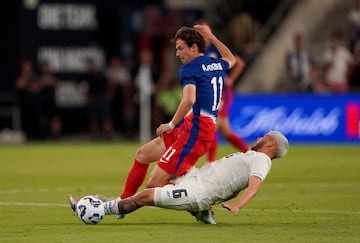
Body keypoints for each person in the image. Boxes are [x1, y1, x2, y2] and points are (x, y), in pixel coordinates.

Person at [117, 24, 236, 206]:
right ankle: (122, 202)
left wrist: (170, 124)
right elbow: (230, 58)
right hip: (195, 127)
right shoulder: (216, 64)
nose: (177, 54)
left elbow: (189, 99)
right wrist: (211, 37)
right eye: (176, 49)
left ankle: (199, 202)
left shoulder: (189, 69)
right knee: (143, 154)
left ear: (194, 48)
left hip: (195, 131)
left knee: (153, 184)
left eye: (181, 48)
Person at [69, 131, 289, 224]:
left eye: (264, 137)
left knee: (146, 195)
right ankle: (202, 214)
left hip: (197, 191)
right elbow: (235, 184)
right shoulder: (253, 156)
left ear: (270, 144)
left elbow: (254, 186)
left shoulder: (262, 160)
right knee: (158, 173)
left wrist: (237, 205)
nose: (259, 137)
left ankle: (97, 209)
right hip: (195, 177)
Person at [195, 20, 249, 161]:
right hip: (209, 93)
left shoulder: (216, 49)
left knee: (213, 123)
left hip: (221, 92)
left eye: (204, 34)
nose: (203, 37)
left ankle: (210, 162)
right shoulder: (197, 52)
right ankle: (249, 152)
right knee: (225, 131)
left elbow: (239, 63)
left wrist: (230, 80)